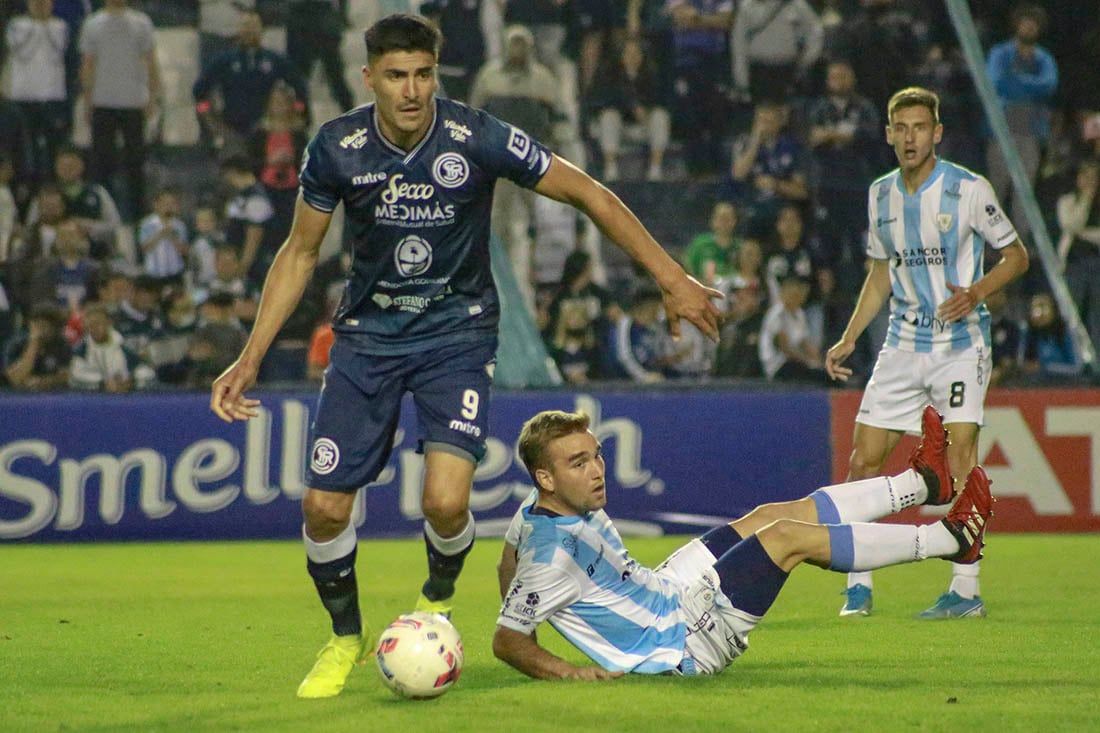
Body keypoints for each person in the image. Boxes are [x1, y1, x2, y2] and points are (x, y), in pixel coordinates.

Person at [208, 13, 722, 699]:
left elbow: (588, 193)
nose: (412, 89)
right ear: (370, 79)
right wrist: (251, 354)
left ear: (436, 75)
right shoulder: (336, 147)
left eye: (423, 74)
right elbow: (299, 252)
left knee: (446, 502)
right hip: (367, 338)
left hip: (456, 333)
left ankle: (437, 596)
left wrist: (670, 275)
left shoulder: (476, 136)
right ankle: (343, 637)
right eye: (396, 76)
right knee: (326, 507)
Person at [493, 407, 993, 678]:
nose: (597, 470)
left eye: (596, 455)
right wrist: (567, 671)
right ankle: (949, 538)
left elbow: (507, 559)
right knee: (786, 539)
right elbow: (506, 640)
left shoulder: (532, 513)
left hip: (665, 588)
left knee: (768, 517)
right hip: (682, 641)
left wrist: (521, 605)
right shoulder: (551, 558)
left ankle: (922, 484)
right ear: (546, 478)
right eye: (578, 464)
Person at [824, 86, 1029, 619]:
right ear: (890, 134)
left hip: (960, 346)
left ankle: (965, 591)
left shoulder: (967, 189)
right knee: (862, 461)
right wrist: (849, 336)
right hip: (901, 344)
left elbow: (1016, 255)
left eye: (920, 127)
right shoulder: (880, 194)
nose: (911, 137)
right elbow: (879, 275)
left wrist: (977, 292)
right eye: (902, 128)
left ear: (937, 134)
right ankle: (858, 587)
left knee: (960, 461)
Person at [79, 0, 161, 221]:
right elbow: (88, 64)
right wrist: (88, 100)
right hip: (103, 101)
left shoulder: (141, 22)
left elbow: (152, 62)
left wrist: (153, 97)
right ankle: (101, 213)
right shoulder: (93, 23)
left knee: (135, 163)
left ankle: (137, 216)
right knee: (102, 162)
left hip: (133, 102)